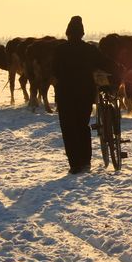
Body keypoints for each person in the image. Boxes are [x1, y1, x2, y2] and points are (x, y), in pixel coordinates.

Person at [53, 16, 108, 173]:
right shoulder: (89, 49)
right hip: (84, 93)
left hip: (65, 95)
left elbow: (54, 70)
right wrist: (121, 68)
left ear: (68, 33)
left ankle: (75, 164)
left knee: (69, 128)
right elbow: (104, 62)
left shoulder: (60, 50)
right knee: (83, 126)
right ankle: (85, 161)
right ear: (82, 33)